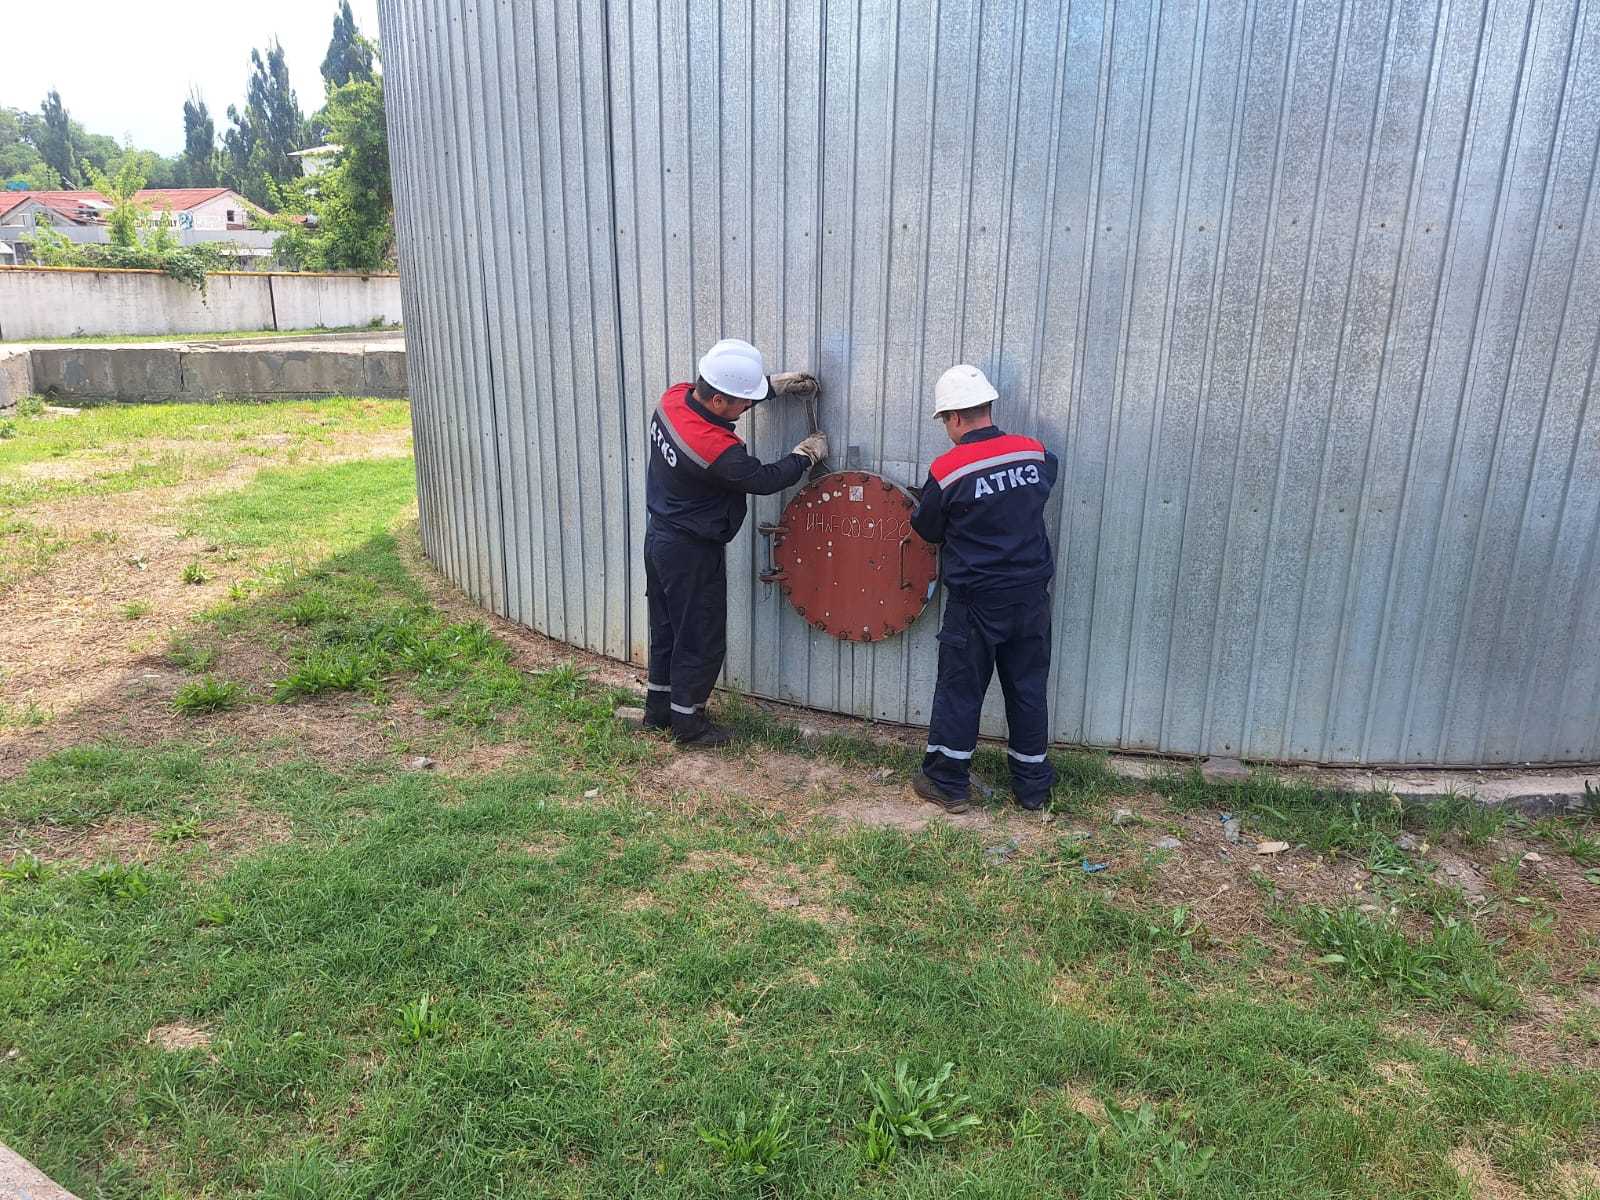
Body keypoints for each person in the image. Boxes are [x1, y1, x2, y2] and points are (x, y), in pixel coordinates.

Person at [644, 338, 828, 747]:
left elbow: (721, 397)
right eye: (744, 402)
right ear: (717, 401)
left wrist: (770, 387)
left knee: (667, 629)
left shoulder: (673, 398)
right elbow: (763, 479)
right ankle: (689, 726)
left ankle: (658, 714)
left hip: (660, 539)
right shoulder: (715, 449)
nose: (747, 407)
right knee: (700, 637)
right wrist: (804, 456)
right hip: (691, 553)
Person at [909, 364, 1059, 812]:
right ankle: (1033, 788)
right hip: (1031, 596)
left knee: (961, 690)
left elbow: (927, 527)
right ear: (987, 407)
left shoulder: (948, 469)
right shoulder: (1034, 452)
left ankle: (947, 782)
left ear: (954, 417)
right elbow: (1042, 483)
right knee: (1027, 688)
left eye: (945, 422)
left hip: (977, 601)